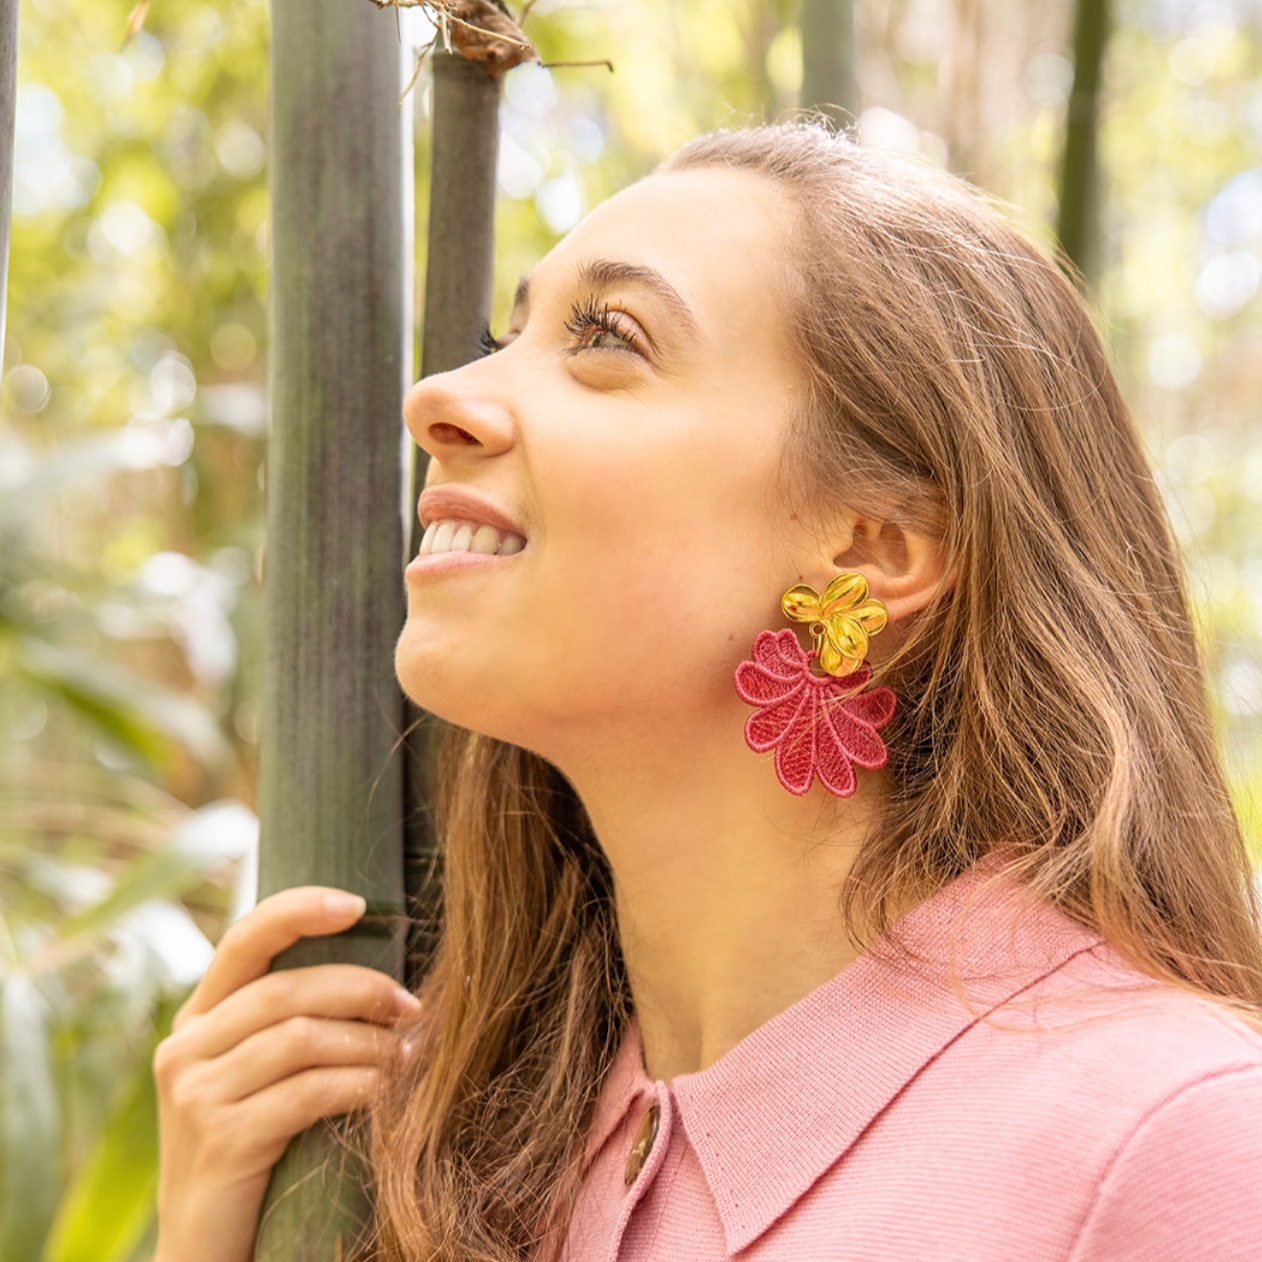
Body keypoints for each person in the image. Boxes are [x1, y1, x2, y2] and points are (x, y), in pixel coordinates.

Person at [152, 124, 1262, 1262]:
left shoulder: (1174, 1139)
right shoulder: (447, 1138)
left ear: (869, 546)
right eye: (506, 333)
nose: (439, 395)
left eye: (605, 337)